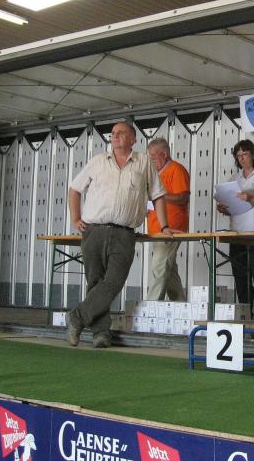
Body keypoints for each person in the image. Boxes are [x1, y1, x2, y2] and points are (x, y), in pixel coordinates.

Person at [66, 122, 176, 348]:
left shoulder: (144, 162)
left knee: (114, 281)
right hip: (94, 231)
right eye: (113, 133)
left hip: (124, 233)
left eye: (121, 133)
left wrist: (164, 226)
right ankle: (101, 333)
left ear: (134, 139)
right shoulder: (97, 161)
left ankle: (77, 317)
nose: (116, 136)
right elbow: (74, 189)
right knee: (95, 282)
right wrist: (75, 218)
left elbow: (158, 196)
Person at [216, 139, 254, 320]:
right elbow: (234, 207)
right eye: (238, 156)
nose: (242, 158)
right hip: (237, 234)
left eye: (245, 154)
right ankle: (245, 315)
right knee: (241, 278)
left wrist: (252, 198)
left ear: (253, 155)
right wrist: (224, 208)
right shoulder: (235, 178)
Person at [145, 137, 190, 301]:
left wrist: (159, 197)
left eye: (153, 157)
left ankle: (150, 307)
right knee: (169, 270)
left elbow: (183, 198)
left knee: (159, 267)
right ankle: (180, 306)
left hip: (171, 227)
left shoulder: (176, 169)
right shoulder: (155, 174)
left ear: (164, 154)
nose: (151, 161)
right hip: (156, 228)